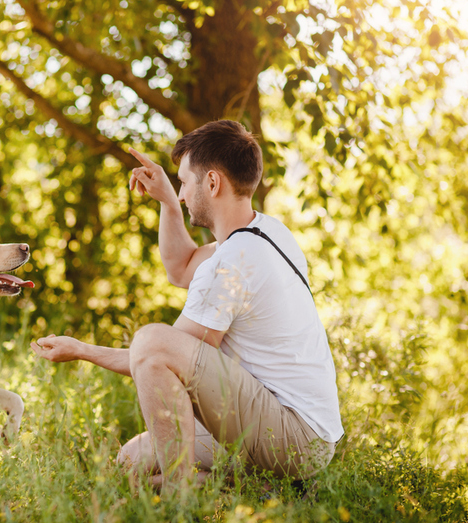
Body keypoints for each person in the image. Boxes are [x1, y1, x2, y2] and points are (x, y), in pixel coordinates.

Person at [30, 120, 343, 489]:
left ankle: (181, 502)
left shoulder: (231, 265)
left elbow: (157, 357)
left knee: (151, 342)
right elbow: (181, 268)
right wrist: (166, 201)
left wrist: (82, 350)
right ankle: (254, 490)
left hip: (294, 438)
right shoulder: (265, 232)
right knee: (131, 461)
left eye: (183, 183)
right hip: (297, 426)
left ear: (211, 183)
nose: (181, 194)